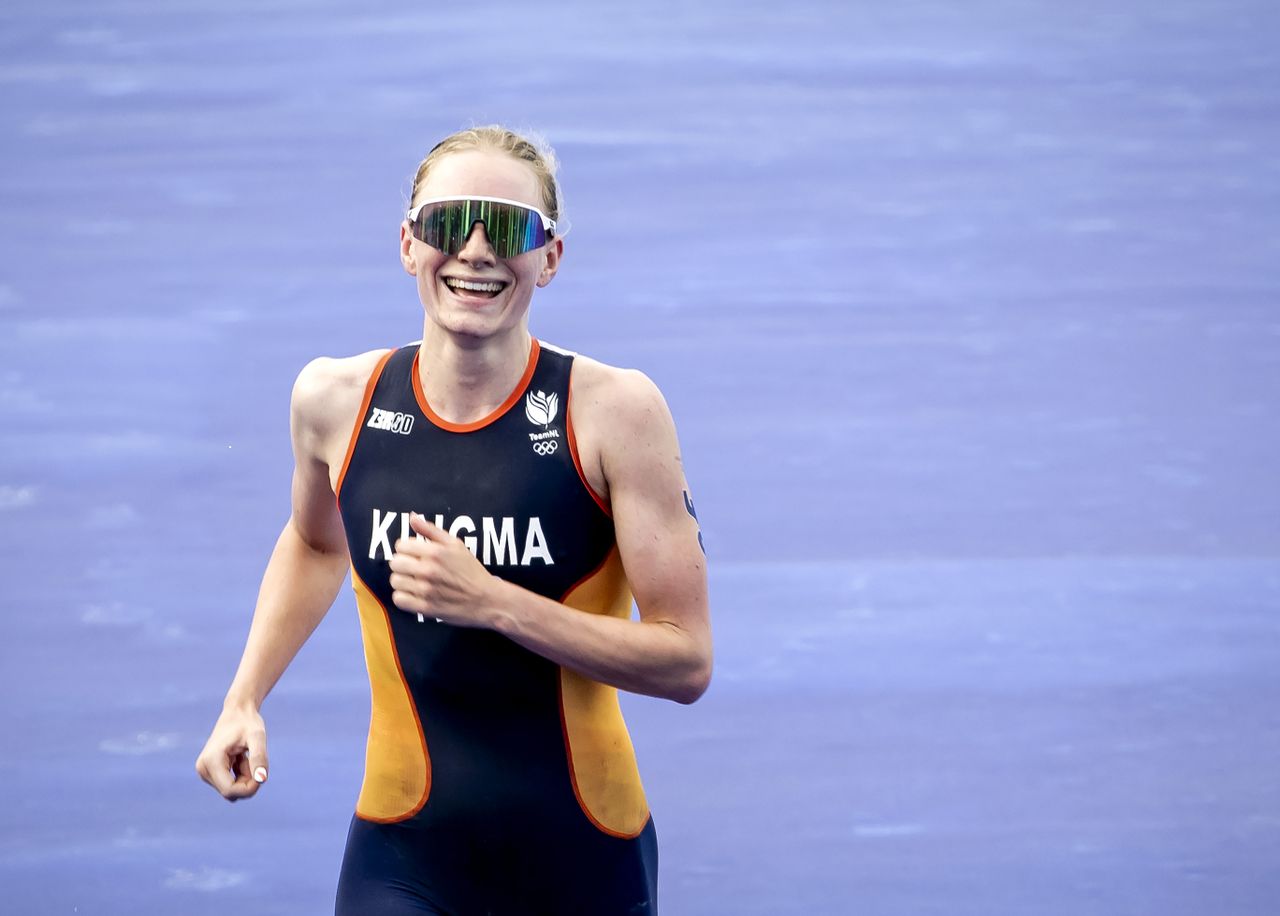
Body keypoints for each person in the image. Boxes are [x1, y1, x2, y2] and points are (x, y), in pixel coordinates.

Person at [194, 125, 713, 915]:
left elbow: (685, 662)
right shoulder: (335, 402)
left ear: (550, 258)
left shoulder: (614, 414)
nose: (474, 250)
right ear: (408, 245)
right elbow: (311, 541)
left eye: (507, 227)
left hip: (580, 856)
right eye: (447, 224)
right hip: (404, 853)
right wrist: (244, 699)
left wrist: (494, 602)